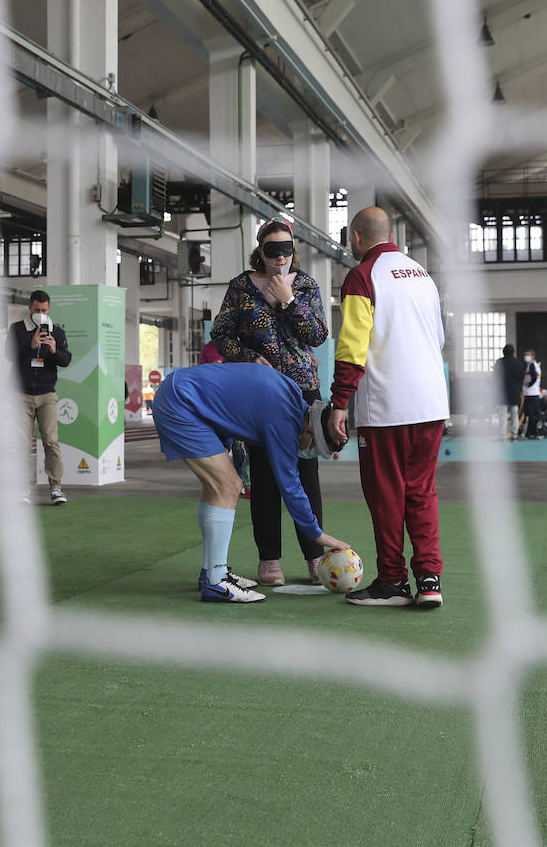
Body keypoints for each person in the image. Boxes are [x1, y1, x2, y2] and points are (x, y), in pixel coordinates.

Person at [327, 207, 448, 609]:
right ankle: (429, 579)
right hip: (431, 403)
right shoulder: (422, 276)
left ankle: (393, 581)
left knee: (386, 495)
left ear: (356, 238)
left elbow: (352, 346)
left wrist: (339, 402)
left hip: (387, 406)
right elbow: (439, 339)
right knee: (421, 491)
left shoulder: (363, 277)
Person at [150, 362, 348, 602]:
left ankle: (214, 572)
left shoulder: (291, 395)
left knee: (216, 488)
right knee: (229, 485)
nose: (308, 451)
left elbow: (233, 404)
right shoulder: (284, 421)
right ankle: (216, 583)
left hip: (182, 395)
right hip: (181, 402)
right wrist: (317, 534)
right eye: (314, 448)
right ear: (309, 432)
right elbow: (290, 486)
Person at [210, 218, 329, 587]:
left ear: (294, 251)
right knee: (265, 478)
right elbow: (221, 335)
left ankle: (315, 555)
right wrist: (248, 358)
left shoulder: (306, 285)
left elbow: (319, 335)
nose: (281, 258)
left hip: (302, 391)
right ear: (260, 250)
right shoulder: (241, 288)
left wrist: (289, 300)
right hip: (259, 393)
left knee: (305, 475)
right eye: (273, 250)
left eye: (287, 250)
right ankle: (269, 559)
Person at [7, 289, 72, 505]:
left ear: (49, 308)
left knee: (51, 442)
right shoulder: (17, 329)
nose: (41, 313)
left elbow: (65, 360)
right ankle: (23, 488)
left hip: (46, 395)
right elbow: (8, 354)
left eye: (44, 310)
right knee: (22, 444)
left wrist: (54, 351)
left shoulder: (58, 332)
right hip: (20, 394)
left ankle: (56, 487)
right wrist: (30, 346)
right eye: (37, 310)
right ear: (30, 308)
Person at [494, 344, 525, 440]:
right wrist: (519, 390)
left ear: (503, 352)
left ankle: (502, 436)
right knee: (514, 415)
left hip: (502, 392)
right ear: (513, 352)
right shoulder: (519, 363)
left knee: (502, 415)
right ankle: (514, 435)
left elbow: (495, 378)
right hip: (515, 392)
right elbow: (521, 378)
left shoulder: (499, 362)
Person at [521, 349, 543, 438]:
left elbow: (534, 377)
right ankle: (534, 432)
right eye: (525, 354)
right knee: (534, 414)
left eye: (528, 355)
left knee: (529, 415)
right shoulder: (534, 365)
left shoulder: (532, 365)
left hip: (530, 394)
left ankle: (531, 432)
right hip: (533, 394)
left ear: (533, 356)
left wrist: (529, 384)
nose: (526, 356)